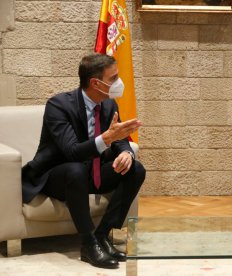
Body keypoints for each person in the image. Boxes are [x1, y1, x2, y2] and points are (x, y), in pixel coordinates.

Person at [21, 53, 146, 269]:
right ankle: (88, 244)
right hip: (57, 177)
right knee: (76, 169)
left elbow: (121, 139)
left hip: (92, 173)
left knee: (135, 168)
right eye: (113, 78)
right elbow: (71, 151)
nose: (118, 83)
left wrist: (126, 153)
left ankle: (102, 234)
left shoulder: (109, 105)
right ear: (95, 83)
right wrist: (106, 139)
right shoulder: (58, 105)